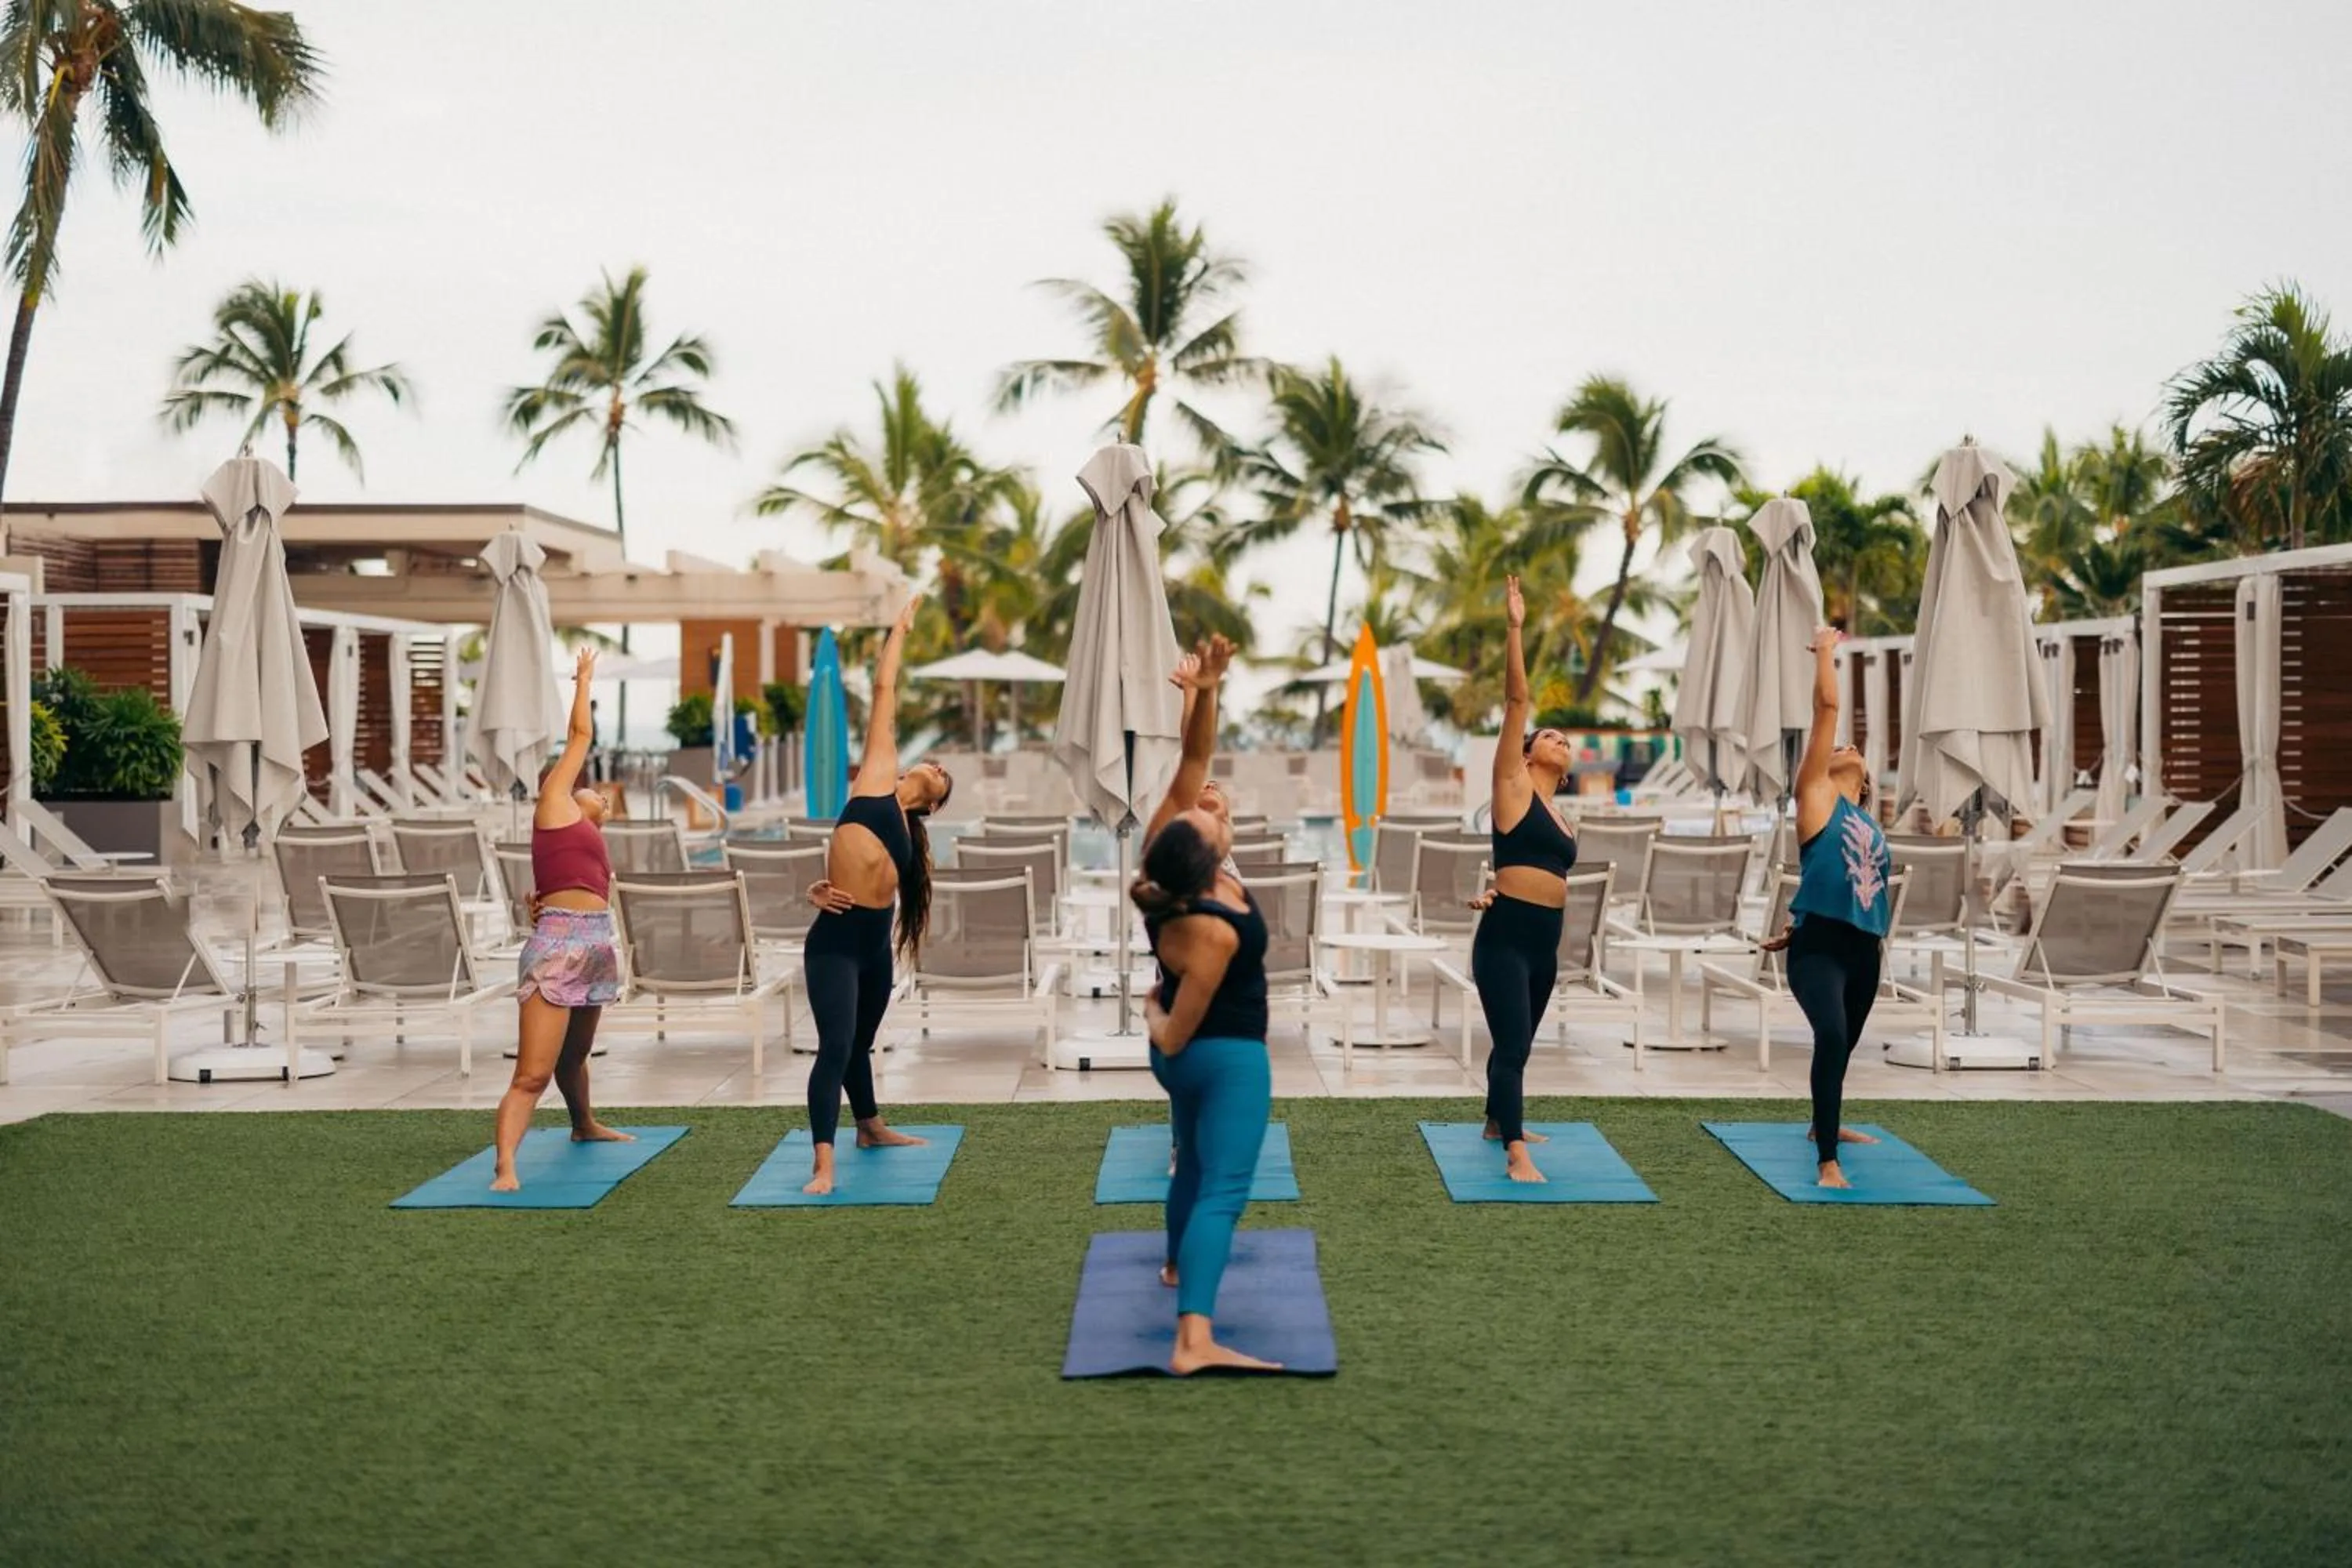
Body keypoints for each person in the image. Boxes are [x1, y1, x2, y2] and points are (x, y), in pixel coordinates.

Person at [1137, 634, 1279, 1375]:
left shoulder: (1171, 864)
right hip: (1218, 1057)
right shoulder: (1214, 929)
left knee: (1189, 1165)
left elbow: (1191, 764)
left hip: (1190, 1064)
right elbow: (1176, 1029)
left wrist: (1207, 691)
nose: (1205, 802)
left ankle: (1172, 1266)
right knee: (1222, 1189)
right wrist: (1154, 1019)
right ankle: (1194, 1340)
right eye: (1202, 814)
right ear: (1200, 850)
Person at [797, 598, 953, 1196]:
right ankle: (823, 1163)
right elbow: (885, 689)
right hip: (834, 944)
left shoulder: (910, 833)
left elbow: (869, 867)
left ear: (936, 803)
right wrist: (899, 631)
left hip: (874, 949)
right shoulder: (878, 779)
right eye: (934, 763)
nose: (934, 765)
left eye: (942, 775)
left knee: (860, 1043)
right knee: (835, 1045)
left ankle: (871, 1127)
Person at [492, 648, 630, 1192]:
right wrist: (585, 681)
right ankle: (505, 1166)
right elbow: (579, 739)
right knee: (533, 1074)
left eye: (598, 793)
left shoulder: (586, 834)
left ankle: (584, 1124)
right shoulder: (554, 804)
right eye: (590, 787)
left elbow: (567, 881)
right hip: (558, 946)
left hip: (596, 945)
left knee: (576, 1056)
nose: (596, 790)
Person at [1771, 626, 1892, 1189]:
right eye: (1839, 746)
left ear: (1866, 782)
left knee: (1847, 1044)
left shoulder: (1869, 822)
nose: (1845, 748)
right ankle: (1827, 1160)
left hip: (1865, 950)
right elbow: (1827, 707)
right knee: (1833, 1037)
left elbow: (1845, 879)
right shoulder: (1816, 798)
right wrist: (1824, 652)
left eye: (1854, 750)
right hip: (1820, 948)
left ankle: (1827, 1124)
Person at [1465, 575, 1576, 1184]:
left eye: (1566, 738)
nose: (1562, 739)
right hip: (1506, 937)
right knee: (1511, 1048)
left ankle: (1494, 1119)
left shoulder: (1561, 812)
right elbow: (1516, 703)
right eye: (1550, 735)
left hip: (1545, 945)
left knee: (1520, 1046)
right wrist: (1514, 628)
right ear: (1529, 753)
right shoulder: (1511, 786)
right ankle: (1514, 1151)